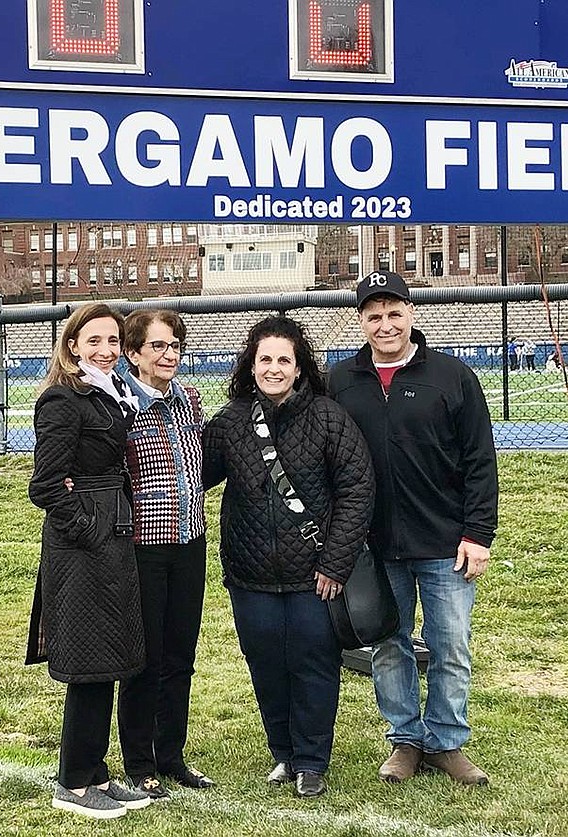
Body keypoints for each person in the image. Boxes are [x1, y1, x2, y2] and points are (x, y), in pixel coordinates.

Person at [328, 270, 499, 787]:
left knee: (450, 645)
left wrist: (478, 534)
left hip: (445, 541)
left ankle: (446, 740)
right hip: (375, 545)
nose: (385, 324)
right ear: (360, 321)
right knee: (388, 643)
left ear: (411, 313)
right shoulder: (340, 381)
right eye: (374, 315)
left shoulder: (452, 377)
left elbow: (479, 461)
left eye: (394, 312)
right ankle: (404, 738)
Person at [202, 316, 374, 799]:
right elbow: (191, 470)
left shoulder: (327, 417)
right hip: (250, 573)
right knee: (265, 664)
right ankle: (283, 753)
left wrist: (335, 564)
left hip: (314, 575)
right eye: (265, 360)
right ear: (250, 366)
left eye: (284, 360)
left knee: (314, 664)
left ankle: (312, 760)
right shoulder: (232, 422)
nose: (273, 368)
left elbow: (358, 489)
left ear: (299, 369)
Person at [26, 303, 152, 820]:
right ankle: (74, 782)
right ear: (72, 344)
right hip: (84, 548)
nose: (106, 350)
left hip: (114, 537)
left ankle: (96, 772)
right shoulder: (63, 399)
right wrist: (88, 527)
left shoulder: (111, 395)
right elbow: (46, 484)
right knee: (89, 663)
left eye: (113, 340)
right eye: (93, 340)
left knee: (106, 659)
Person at [115, 309, 213, 799]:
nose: (169, 354)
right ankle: (139, 760)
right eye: (157, 346)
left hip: (190, 542)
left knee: (180, 655)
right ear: (133, 354)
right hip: (143, 547)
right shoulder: (120, 404)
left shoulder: (188, 399)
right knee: (144, 657)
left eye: (175, 345)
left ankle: (171, 754)